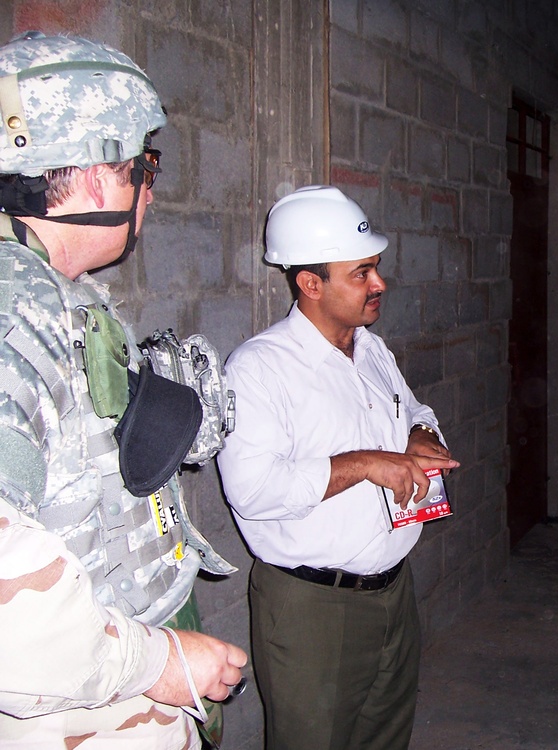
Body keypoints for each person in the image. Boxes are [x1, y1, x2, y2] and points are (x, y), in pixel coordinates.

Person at [0, 32, 246, 749]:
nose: (150, 186)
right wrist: (155, 663)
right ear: (96, 178)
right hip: (71, 712)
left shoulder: (55, 293)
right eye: (145, 164)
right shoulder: (15, 306)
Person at [217, 185, 459, 750]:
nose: (380, 284)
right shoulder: (258, 370)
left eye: (376, 269)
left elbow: (414, 409)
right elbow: (253, 492)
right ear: (310, 284)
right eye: (362, 273)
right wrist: (367, 464)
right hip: (312, 611)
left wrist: (421, 434)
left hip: (394, 595)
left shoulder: (371, 348)